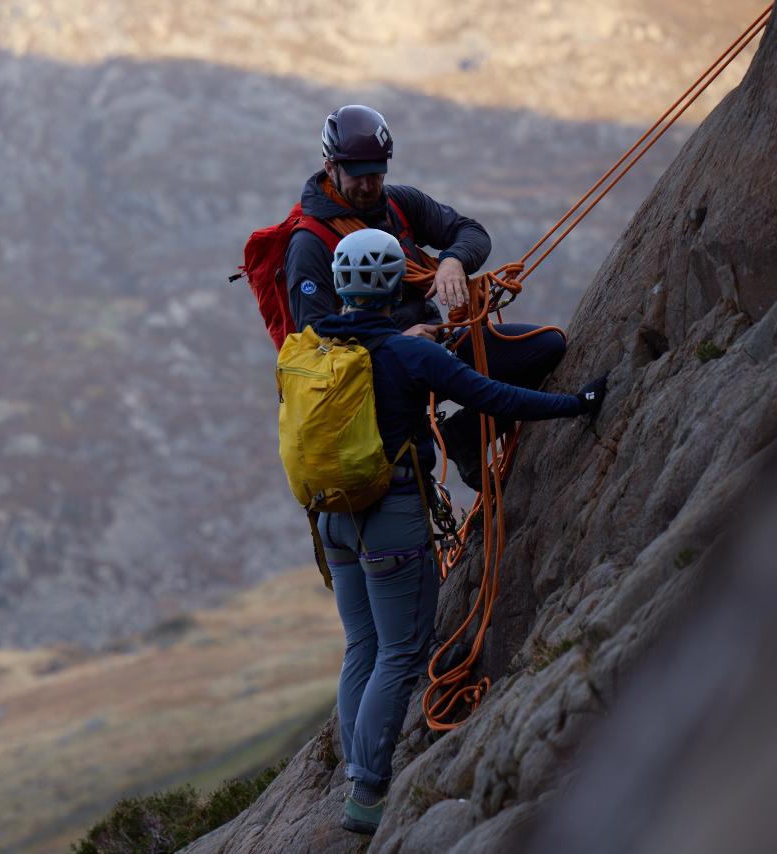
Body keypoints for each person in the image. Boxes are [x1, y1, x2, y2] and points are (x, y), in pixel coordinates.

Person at [316, 228, 607, 834]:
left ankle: (355, 777)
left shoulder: (314, 344)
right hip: (391, 516)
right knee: (401, 653)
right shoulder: (410, 351)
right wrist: (576, 404)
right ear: (397, 283)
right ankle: (368, 794)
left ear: (341, 285)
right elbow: (495, 395)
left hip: (333, 517)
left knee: (362, 647)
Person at [285, 104, 570, 489]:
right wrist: (396, 343)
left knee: (545, 348)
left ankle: (464, 438)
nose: (369, 186)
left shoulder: (400, 204)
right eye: (357, 176)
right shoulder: (310, 243)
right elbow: (315, 337)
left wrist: (453, 260)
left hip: (435, 344)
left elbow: (470, 232)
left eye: (376, 174)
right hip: (377, 372)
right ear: (330, 166)